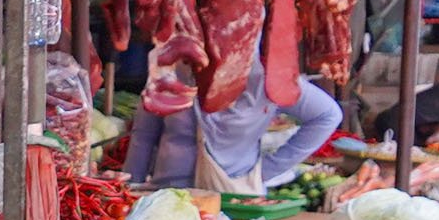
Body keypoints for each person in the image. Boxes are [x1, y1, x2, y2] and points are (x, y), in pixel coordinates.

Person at [124, 52, 343, 189]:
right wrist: (130, 185)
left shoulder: (267, 79)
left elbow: (327, 115)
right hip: (170, 193)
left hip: (235, 200)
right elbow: (143, 134)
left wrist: (267, 169)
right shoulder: (173, 68)